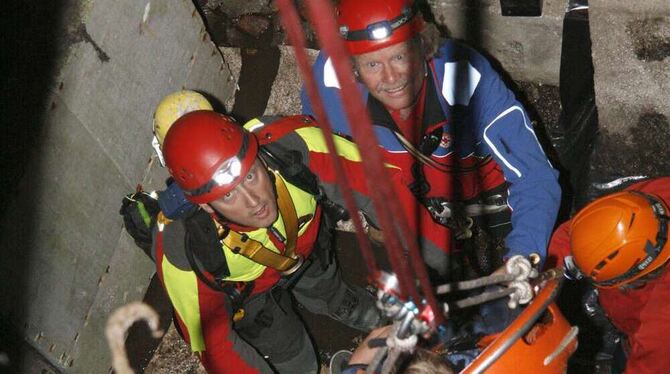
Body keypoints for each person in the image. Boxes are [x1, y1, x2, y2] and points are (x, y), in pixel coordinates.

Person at [302, 0, 561, 275]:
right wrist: (366, 220)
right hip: (408, 200)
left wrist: (522, 254)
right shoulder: (330, 88)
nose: (391, 78)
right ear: (353, 67)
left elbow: (534, 176)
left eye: (400, 56)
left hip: (484, 189)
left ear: (423, 45)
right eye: (373, 64)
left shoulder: (466, 78)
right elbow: (320, 159)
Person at [547, 177, 670, 373]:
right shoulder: (641, 205)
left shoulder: (661, 322)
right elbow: (580, 231)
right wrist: (545, 270)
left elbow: (649, 366)